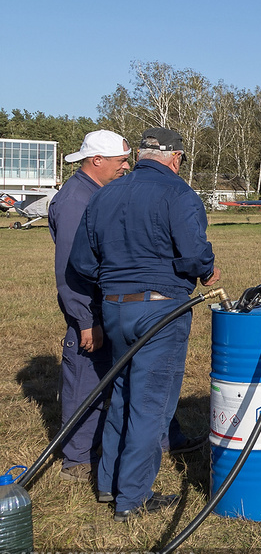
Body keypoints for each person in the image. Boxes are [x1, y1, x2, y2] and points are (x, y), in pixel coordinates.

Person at [70, 128, 220, 522]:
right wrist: (205, 268)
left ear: (138, 156)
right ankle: (132, 498)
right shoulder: (180, 194)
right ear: (176, 158)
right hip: (160, 312)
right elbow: (193, 256)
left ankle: (107, 484)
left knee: (121, 393)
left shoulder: (103, 194)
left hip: (114, 309)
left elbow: (83, 264)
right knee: (151, 405)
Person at [48, 130, 131, 484]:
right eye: (120, 161)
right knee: (85, 382)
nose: (126, 167)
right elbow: (70, 268)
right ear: (96, 160)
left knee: (105, 378)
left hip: (105, 306)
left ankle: (98, 446)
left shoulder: (95, 194)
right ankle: (77, 460)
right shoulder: (74, 201)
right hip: (90, 310)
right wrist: (85, 320)